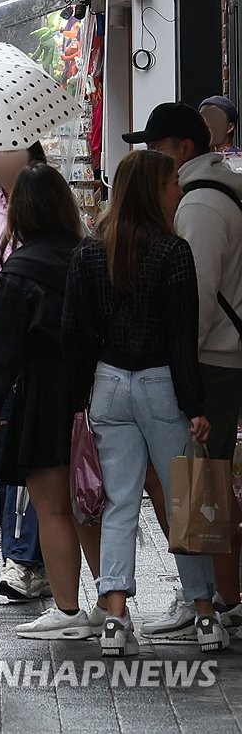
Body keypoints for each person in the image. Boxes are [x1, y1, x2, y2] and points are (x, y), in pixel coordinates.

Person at [62, 148, 226, 658]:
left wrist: (81, 395)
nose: (178, 190)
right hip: (161, 385)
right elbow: (182, 337)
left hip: (108, 382)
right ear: (155, 191)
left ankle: (114, 618)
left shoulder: (91, 251)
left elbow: (75, 332)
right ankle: (204, 616)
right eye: (171, 182)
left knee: (120, 502)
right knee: (185, 501)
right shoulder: (173, 252)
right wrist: (196, 404)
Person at [126, 102, 242, 639]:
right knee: (202, 480)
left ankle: (211, 599)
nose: (150, 158)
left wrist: (181, 371)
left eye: (156, 147)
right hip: (221, 355)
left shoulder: (198, 205)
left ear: (183, 150)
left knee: (196, 483)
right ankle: (213, 595)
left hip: (210, 360)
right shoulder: (220, 190)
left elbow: (193, 296)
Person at [0, 163, 103, 640]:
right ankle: (114, 611)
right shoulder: (93, 258)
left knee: (53, 507)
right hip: (98, 393)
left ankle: (68, 610)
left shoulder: (19, 271)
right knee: (94, 504)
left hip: (45, 398)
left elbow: (3, 357)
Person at [0, 145, 51, 604]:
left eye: (12, 152)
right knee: (1, 456)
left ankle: (22, 559)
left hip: (31, 350)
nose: (2, 162)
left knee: (22, 457)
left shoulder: (48, 210)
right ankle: (26, 558)